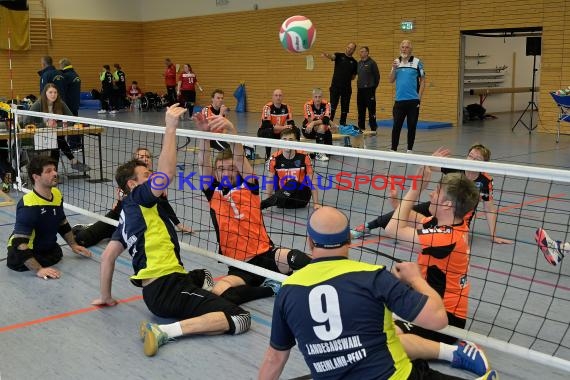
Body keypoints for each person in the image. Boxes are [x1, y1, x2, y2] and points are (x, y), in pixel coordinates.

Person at [258, 206, 497, 380]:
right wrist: (416, 279)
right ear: (350, 239)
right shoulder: (373, 276)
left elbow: (274, 360)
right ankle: (457, 354)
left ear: (310, 242)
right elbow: (438, 319)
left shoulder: (288, 290)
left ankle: (454, 354)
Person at [92, 104, 251, 357]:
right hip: (168, 288)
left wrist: (106, 296)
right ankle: (165, 331)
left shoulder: (127, 213)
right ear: (133, 184)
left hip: (157, 290)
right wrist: (170, 126)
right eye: (146, 174)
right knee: (240, 317)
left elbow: (107, 256)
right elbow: (166, 174)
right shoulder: (140, 197)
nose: (152, 176)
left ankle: (200, 302)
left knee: (202, 275)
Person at [383, 163, 492, 376]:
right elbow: (405, 215)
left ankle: (455, 352)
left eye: (436, 192)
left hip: (445, 318)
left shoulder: (445, 237)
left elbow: (392, 228)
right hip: (426, 303)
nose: (431, 194)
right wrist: (413, 187)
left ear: (447, 204)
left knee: (383, 344)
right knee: (375, 331)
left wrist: (415, 190)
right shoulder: (445, 224)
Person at [196, 113, 312, 304]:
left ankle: (330, 279)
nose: (226, 173)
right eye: (221, 169)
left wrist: (232, 131)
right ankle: (270, 288)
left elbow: (240, 157)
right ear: (216, 172)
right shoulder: (212, 191)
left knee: (297, 259)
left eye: (231, 168)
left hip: (266, 255)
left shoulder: (249, 186)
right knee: (221, 293)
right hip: (239, 266)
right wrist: (203, 136)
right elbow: (202, 161)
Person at [351, 144, 514, 245]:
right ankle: (367, 226)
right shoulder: (456, 167)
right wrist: (430, 160)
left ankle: (406, 231)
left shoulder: (485, 181)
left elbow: (489, 208)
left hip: (455, 218)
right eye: (470, 155)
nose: (471, 159)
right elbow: (427, 169)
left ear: (484, 163)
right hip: (438, 206)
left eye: (477, 158)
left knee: (407, 218)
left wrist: (493, 235)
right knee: (405, 212)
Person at [72, 147, 191, 247]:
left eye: (147, 157)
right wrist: (119, 201)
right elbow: (120, 205)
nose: (145, 159)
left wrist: (178, 224)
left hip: (137, 224)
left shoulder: (156, 181)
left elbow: (165, 204)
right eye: (141, 157)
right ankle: (91, 227)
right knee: (83, 240)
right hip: (119, 217)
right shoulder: (130, 178)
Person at [6, 156, 92, 278]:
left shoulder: (56, 194)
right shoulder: (28, 205)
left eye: (54, 169)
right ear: (36, 177)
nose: (55, 173)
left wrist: (73, 245)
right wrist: (39, 270)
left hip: (48, 250)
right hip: (24, 253)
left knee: (56, 254)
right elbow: (19, 243)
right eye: (48, 171)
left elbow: (62, 222)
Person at [23, 83, 91, 172]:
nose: (53, 95)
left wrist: (58, 125)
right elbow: (26, 122)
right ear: (45, 93)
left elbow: (71, 119)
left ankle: (55, 171)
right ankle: (71, 162)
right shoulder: (38, 104)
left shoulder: (60, 103)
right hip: (36, 137)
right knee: (58, 140)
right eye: (50, 92)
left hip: (53, 136)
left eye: (55, 92)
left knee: (57, 141)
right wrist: (45, 125)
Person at [262, 128, 320, 210]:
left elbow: (312, 180)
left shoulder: (304, 156)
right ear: (280, 141)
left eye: (290, 139)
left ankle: (265, 203)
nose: (287, 142)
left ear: (295, 141)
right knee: (286, 185)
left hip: (301, 197)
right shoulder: (274, 158)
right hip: (283, 200)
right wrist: (268, 199)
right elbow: (270, 180)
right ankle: (268, 202)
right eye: (284, 139)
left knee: (292, 183)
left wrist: (316, 203)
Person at [389, 39, 426, 153]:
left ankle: (409, 149)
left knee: (412, 126)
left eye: (407, 47)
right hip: (399, 101)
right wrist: (394, 69)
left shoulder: (417, 62)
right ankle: (393, 149)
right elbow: (391, 80)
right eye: (403, 47)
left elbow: (423, 80)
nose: (404, 49)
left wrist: (419, 97)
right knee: (396, 126)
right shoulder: (396, 62)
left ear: (411, 49)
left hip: (413, 101)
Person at [257, 89, 300, 160]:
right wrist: (283, 128)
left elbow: (291, 122)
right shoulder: (267, 107)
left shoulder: (286, 107)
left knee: (296, 130)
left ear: (282, 97)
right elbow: (266, 124)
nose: (278, 97)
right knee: (268, 131)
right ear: (272, 97)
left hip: (279, 132)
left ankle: (296, 153)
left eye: (280, 95)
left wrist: (290, 126)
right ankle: (268, 157)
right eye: (276, 95)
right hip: (265, 131)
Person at [322, 42, 358, 126]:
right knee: (333, 106)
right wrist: (327, 55)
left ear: (354, 50)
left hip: (346, 88)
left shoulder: (354, 62)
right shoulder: (339, 55)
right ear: (346, 47)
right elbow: (332, 57)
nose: (349, 49)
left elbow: (353, 77)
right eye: (348, 47)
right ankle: (329, 124)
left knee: (345, 108)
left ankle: (342, 124)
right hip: (335, 87)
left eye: (352, 48)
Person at [302, 88, 334, 162]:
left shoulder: (327, 104)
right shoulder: (308, 105)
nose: (317, 99)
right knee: (323, 126)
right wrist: (314, 123)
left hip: (321, 129)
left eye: (319, 97)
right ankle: (319, 154)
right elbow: (311, 121)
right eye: (315, 97)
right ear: (312, 97)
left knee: (329, 152)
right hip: (308, 130)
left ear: (322, 97)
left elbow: (326, 120)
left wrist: (315, 123)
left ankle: (317, 152)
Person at [59, 57, 82, 150]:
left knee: (71, 125)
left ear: (63, 65)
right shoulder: (75, 74)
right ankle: (77, 144)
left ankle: (74, 145)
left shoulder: (66, 76)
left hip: (68, 104)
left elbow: (63, 90)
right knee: (75, 123)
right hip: (75, 103)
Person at [357, 46, 380, 132]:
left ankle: (373, 127)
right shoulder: (358, 63)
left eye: (363, 51)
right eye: (360, 51)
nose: (361, 53)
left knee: (371, 109)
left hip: (369, 90)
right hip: (360, 90)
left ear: (367, 52)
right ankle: (361, 127)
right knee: (361, 109)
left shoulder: (372, 63)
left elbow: (377, 77)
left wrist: (373, 87)